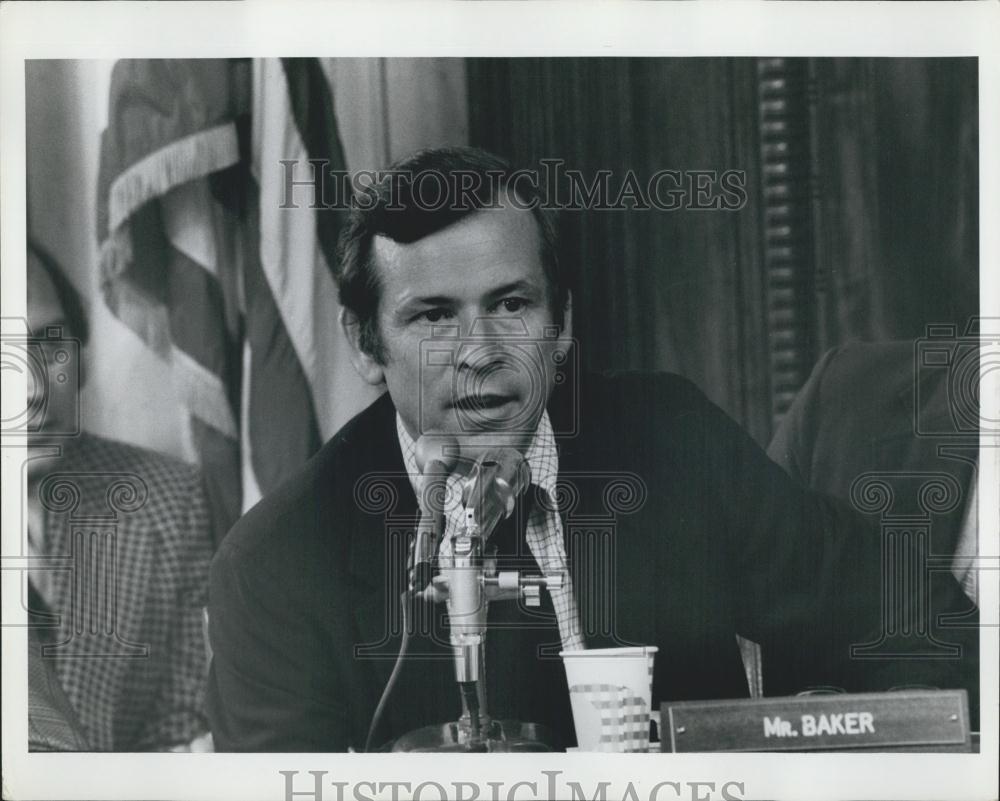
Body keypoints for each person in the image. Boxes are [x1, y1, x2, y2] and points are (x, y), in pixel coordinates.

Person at [206, 147, 978, 752]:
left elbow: (923, 622)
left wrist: (840, 737)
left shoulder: (672, 439)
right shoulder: (278, 564)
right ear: (364, 343)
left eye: (512, 304)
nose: (479, 352)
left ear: (563, 323)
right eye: (433, 317)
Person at [25, 242, 214, 751]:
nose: (32, 389)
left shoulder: (166, 502)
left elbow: (182, 734)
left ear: (82, 360)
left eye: (49, 344)